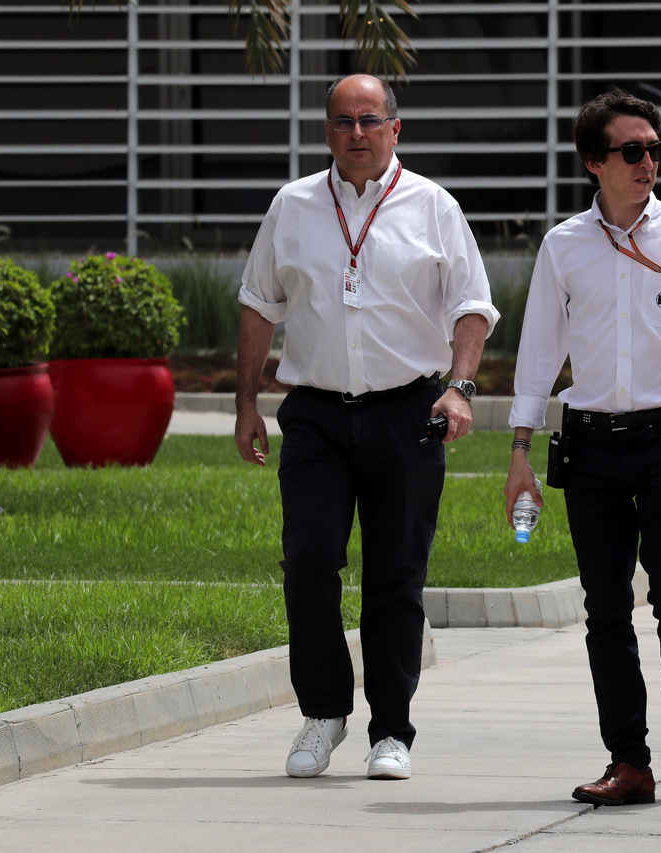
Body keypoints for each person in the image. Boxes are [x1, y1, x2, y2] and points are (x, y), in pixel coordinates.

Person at [235, 73, 499, 781]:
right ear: (327, 131)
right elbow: (260, 303)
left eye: (370, 119)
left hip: (407, 412)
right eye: (343, 121)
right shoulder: (292, 206)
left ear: (395, 128)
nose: (357, 132)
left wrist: (460, 387)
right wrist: (246, 403)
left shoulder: (433, 206)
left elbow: (472, 306)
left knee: (395, 576)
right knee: (310, 561)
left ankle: (392, 729)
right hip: (317, 415)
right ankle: (323, 713)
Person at [503, 88, 661, 805]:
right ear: (595, 163)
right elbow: (539, 354)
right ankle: (629, 761)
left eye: (656, 149)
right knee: (605, 607)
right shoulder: (564, 246)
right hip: (591, 446)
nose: (649, 163)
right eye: (633, 151)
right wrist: (521, 449)